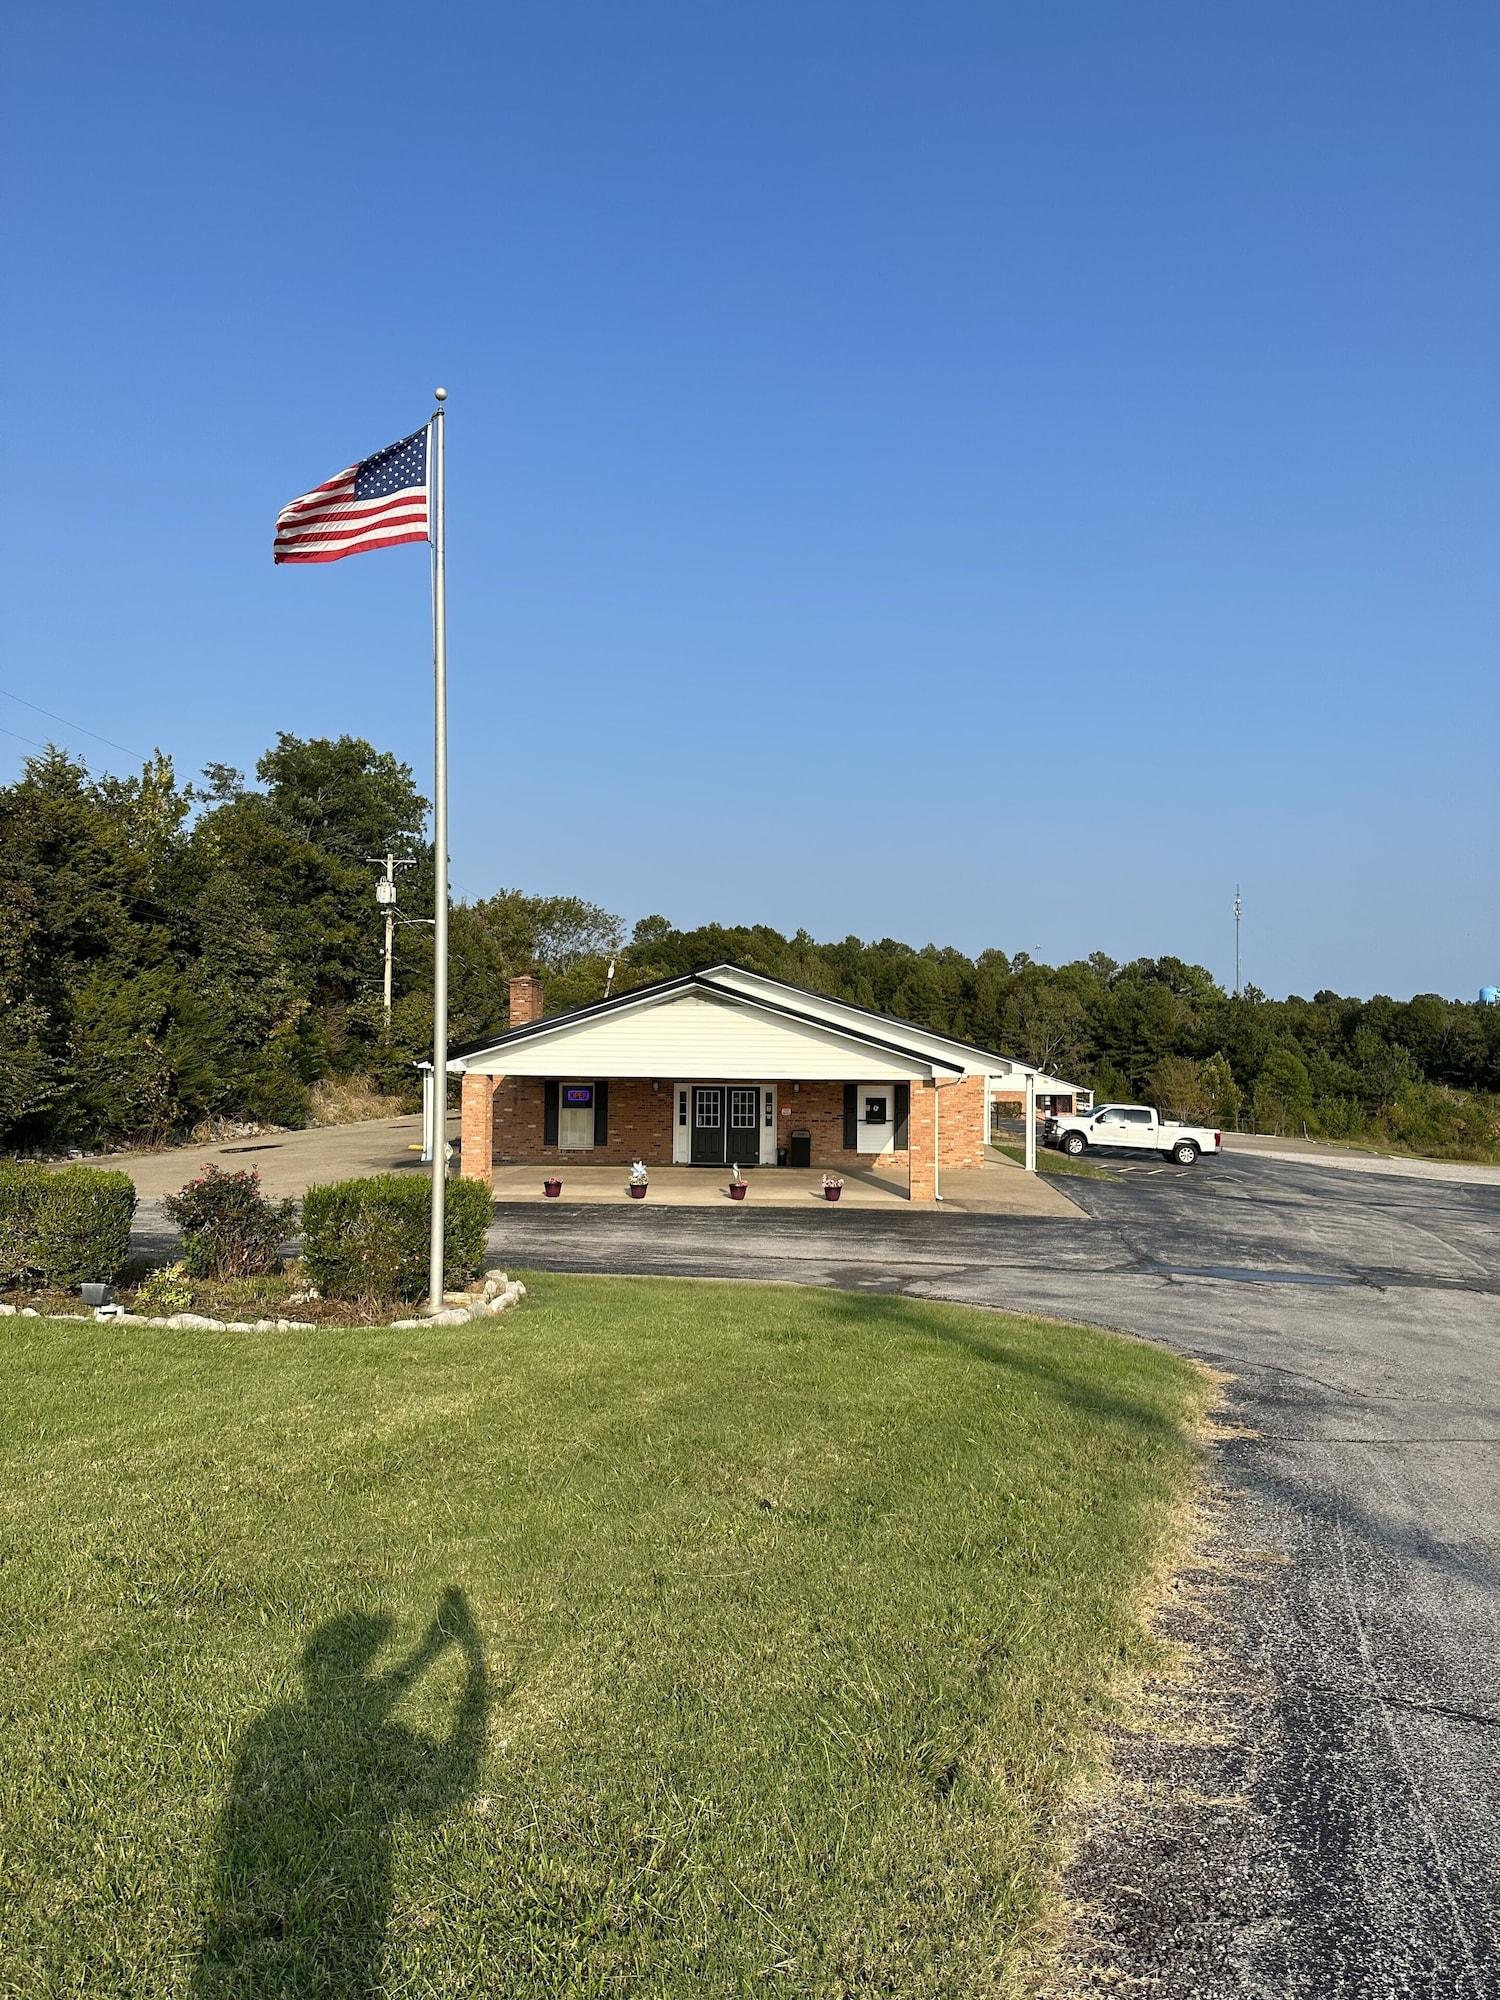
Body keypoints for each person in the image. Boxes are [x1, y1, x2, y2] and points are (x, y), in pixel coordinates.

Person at [193, 1587, 486, 1997]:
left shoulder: (273, 1724)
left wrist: (430, 1651)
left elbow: (384, 1697)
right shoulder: (280, 1724)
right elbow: (451, 1787)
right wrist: (473, 1662)